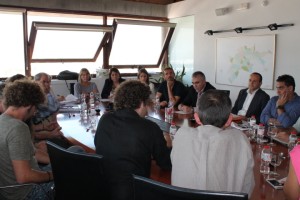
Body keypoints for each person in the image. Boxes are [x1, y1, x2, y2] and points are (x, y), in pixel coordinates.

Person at [94, 80, 172, 200]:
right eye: (147, 103)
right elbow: (166, 163)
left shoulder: (105, 119)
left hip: (104, 188)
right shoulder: (150, 127)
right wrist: (169, 144)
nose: (148, 108)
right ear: (141, 103)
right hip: (135, 193)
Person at [171, 90, 255, 197]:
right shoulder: (240, 140)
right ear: (230, 120)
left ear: (196, 118)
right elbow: (248, 188)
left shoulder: (181, 135)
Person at [0, 80, 54, 199]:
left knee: (74, 151)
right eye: (36, 108)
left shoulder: (2, 121)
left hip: (9, 191)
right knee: (76, 173)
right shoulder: (18, 128)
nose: (35, 112)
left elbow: (31, 151)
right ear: (29, 105)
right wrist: (51, 175)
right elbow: (24, 176)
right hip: (28, 193)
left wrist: (57, 161)